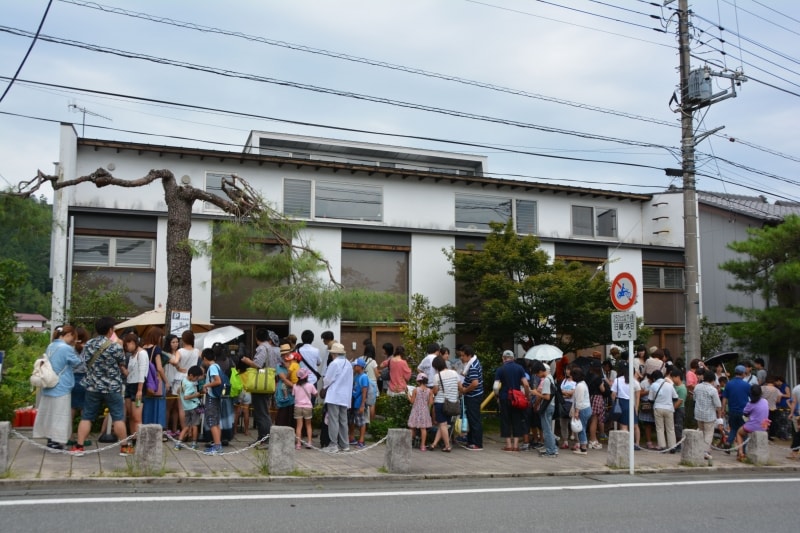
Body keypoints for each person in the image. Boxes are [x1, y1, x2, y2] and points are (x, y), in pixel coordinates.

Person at [71, 317, 130, 456]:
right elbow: (122, 363)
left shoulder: (89, 344)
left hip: (92, 386)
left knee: (87, 417)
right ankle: (125, 447)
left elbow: (84, 362)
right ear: (110, 330)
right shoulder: (115, 346)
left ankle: (79, 447)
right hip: (112, 387)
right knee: (118, 417)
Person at [33, 326, 81, 450]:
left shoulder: (51, 346)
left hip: (49, 384)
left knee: (49, 414)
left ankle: (50, 440)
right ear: (68, 335)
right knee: (60, 416)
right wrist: (76, 348)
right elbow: (78, 362)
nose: (73, 340)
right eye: (73, 337)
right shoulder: (66, 348)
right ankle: (56, 441)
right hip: (62, 385)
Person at [240, 328, 273, 447]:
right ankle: (263, 438)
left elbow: (258, 364)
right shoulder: (271, 348)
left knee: (261, 413)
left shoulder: (262, 348)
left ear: (257, 339)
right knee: (264, 411)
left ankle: (264, 439)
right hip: (267, 383)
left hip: (260, 384)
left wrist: (247, 361)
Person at [493, 349, 530, 452]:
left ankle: (508, 445)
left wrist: (497, 396)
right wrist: (526, 396)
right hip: (517, 398)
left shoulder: (500, 369)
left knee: (505, 420)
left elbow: (495, 387)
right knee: (517, 420)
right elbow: (526, 384)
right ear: (513, 358)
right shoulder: (520, 368)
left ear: (503, 358)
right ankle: (516, 445)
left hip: (505, 397)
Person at [322, 342, 353, 452]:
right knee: (343, 420)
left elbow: (328, 379)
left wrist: (324, 386)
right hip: (344, 396)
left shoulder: (334, 364)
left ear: (334, 354)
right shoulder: (348, 364)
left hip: (334, 395)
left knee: (333, 420)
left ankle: (333, 444)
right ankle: (345, 444)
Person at [169, 330, 200, 437]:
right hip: (193, 380)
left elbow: (175, 361)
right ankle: (191, 431)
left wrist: (177, 366)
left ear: (184, 340)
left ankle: (184, 430)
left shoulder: (180, 351)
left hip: (181, 379)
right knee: (191, 406)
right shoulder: (197, 351)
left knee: (181, 407)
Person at [122, 332, 148, 442]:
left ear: (132, 343)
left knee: (137, 417)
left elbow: (142, 372)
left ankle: (139, 440)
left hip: (139, 385)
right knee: (131, 415)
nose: (126, 348)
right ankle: (133, 437)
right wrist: (121, 366)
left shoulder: (142, 354)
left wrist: (140, 390)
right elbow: (129, 373)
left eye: (127, 345)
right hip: (130, 384)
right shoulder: (132, 355)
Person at [734, 384, 769, 462]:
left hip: (753, 426)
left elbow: (745, 413)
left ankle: (740, 452)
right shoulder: (765, 401)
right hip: (764, 426)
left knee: (739, 433)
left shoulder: (750, 404)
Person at [457, 344, 483, 451]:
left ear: (469, 356)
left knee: (474, 419)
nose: (461, 358)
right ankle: (471, 441)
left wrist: (464, 390)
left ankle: (477, 443)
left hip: (473, 396)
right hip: (474, 395)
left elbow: (475, 383)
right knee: (472, 419)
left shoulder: (472, 366)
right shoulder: (474, 363)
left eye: (463, 356)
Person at [610, 361, 641, 449]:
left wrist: (614, 401)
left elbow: (613, 394)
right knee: (635, 425)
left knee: (624, 425)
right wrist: (636, 408)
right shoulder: (634, 381)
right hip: (631, 403)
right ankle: (637, 444)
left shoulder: (617, 380)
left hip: (621, 403)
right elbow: (637, 397)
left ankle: (625, 445)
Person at [429, 356, 458, 452]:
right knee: (443, 425)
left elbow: (436, 391)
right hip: (452, 403)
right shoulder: (454, 373)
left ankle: (447, 446)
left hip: (441, 403)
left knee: (442, 425)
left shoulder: (437, 376)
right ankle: (434, 444)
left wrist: (431, 391)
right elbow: (460, 386)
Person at [693, 370, 722, 460]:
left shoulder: (697, 387)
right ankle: (705, 451)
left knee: (701, 432)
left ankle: (699, 449)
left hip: (698, 413)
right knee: (708, 434)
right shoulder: (713, 390)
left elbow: (694, 398)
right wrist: (719, 416)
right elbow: (718, 405)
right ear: (713, 380)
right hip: (709, 415)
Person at [142, 327, 168, 428]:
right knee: (159, 405)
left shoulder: (142, 348)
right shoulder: (156, 349)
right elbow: (159, 368)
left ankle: (146, 426)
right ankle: (158, 428)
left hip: (145, 381)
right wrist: (166, 381)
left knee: (147, 405)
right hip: (156, 380)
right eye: (160, 337)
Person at [722, 365, 751, 453]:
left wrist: (723, 409)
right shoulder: (746, 385)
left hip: (732, 411)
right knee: (743, 431)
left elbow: (724, 398)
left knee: (734, 428)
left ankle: (728, 442)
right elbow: (752, 398)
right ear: (742, 373)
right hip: (743, 411)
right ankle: (742, 450)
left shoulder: (729, 384)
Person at [200, 348, 224, 455]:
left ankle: (217, 446)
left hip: (212, 397)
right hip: (216, 397)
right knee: (216, 421)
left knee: (212, 421)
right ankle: (217, 444)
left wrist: (206, 385)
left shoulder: (212, 367)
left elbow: (217, 381)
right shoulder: (217, 366)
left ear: (205, 358)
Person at [174, 365, 203, 450]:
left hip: (186, 408)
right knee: (195, 425)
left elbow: (179, 391)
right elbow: (186, 397)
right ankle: (194, 443)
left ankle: (178, 443)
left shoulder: (183, 381)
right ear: (191, 375)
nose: (197, 379)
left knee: (186, 426)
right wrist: (196, 394)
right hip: (193, 407)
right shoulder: (190, 385)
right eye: (196, 377)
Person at [649, 370, 678, 451]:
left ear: (654, 378)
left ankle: (662, 446)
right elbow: (675, 397)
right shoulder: (669, 385)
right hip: (669, 408)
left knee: (660, 428)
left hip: (658, 407)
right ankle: (672, 446)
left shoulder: (653, 385)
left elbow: (650, 399)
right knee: (670, 428)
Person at [569, 365, 592, 455]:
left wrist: (577, 411)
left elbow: (579, 400)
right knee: (583, 427)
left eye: (572, 375)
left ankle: (583, 448)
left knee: (581, 428)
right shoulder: (583, 384)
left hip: (582, 409)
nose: (571, 377)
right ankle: (583, 446)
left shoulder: (579, 386)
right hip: (587, 408)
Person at [407, 373, 434, 451]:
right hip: (425, 410)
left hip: (416, 410)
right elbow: (431, 402)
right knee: (423, 428)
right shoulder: (429, 391)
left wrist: (408, 395)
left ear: (419, 381)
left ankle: (409, 443)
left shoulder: (416, 390)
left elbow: (412, 401)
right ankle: (423, 446)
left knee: (412, 427)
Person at [274, 344, 299, 427]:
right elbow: (283, 378)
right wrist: (294, 386)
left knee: (293, 416)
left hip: (294, 394)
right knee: (282, 416)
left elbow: (298, 376)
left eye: (287, 354)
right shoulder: (279, 365)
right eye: (283, 355)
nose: (285, 357)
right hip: (283, 393)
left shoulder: (295, 363)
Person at [162, 334, 181, 436]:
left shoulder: (179, 353)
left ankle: (174, 429)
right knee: (168, 406)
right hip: (169, 381)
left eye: (177, 342)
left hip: (178, 382)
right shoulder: (165, 354)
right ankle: (166, 428)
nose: (175, 344)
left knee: (176, 408)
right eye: (173, 342)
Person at [293, 368, 317, 450]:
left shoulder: (295, 386)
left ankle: (298, 444)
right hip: (307, 407)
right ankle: (309, 442)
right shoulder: (310, 385)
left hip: (298, 407)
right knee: (308, 425)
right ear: (306, 377)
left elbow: (293, 394)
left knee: (299, 426)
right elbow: (316, 394)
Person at [349, 358, 370, 448]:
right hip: (354, 402)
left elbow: (365, 391)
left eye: (355, 365)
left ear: (360, 367)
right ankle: (352, 437)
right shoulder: (356, 375)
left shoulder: (364, 377)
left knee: (361, 421)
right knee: (351, 421)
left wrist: (362, 405)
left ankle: (361, 440)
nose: (354, 366)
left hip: (359, 403)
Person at [558, 366, 576, 450]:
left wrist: (565, 393)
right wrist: (566, 393)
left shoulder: (575, 382)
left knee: (574, 423)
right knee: (563, 423)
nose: (567, 371)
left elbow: (572, 393)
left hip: (572, 404)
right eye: (566, 369)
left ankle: (577, 442)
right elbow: (560, 392)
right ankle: (565, 441)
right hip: (564, 404)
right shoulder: (564, 381)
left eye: (569, 369)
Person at [361, 344, 380, 424]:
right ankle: (372, 423)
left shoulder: (360, 359)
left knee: (362, 402)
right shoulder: (373, 362)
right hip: (372, 384)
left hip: (362, 383)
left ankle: (362, 422)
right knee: (371, 404)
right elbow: (377, 374)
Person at [670, 369, 687, 451]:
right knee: (673, 427)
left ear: (678, 377)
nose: (672, 379)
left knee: (678, 426)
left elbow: (680, 401)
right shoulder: (673, 386)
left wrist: (672, 409)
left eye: (673, 377)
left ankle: (679, 445)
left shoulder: (682, 388)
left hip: (679, 409)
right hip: (673, 408)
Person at [788, 381, 800, 460]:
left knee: (797, 432)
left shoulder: (796, 388)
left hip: (798, 413)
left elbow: (794, 402)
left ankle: (794, 452)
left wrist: (791, 413)